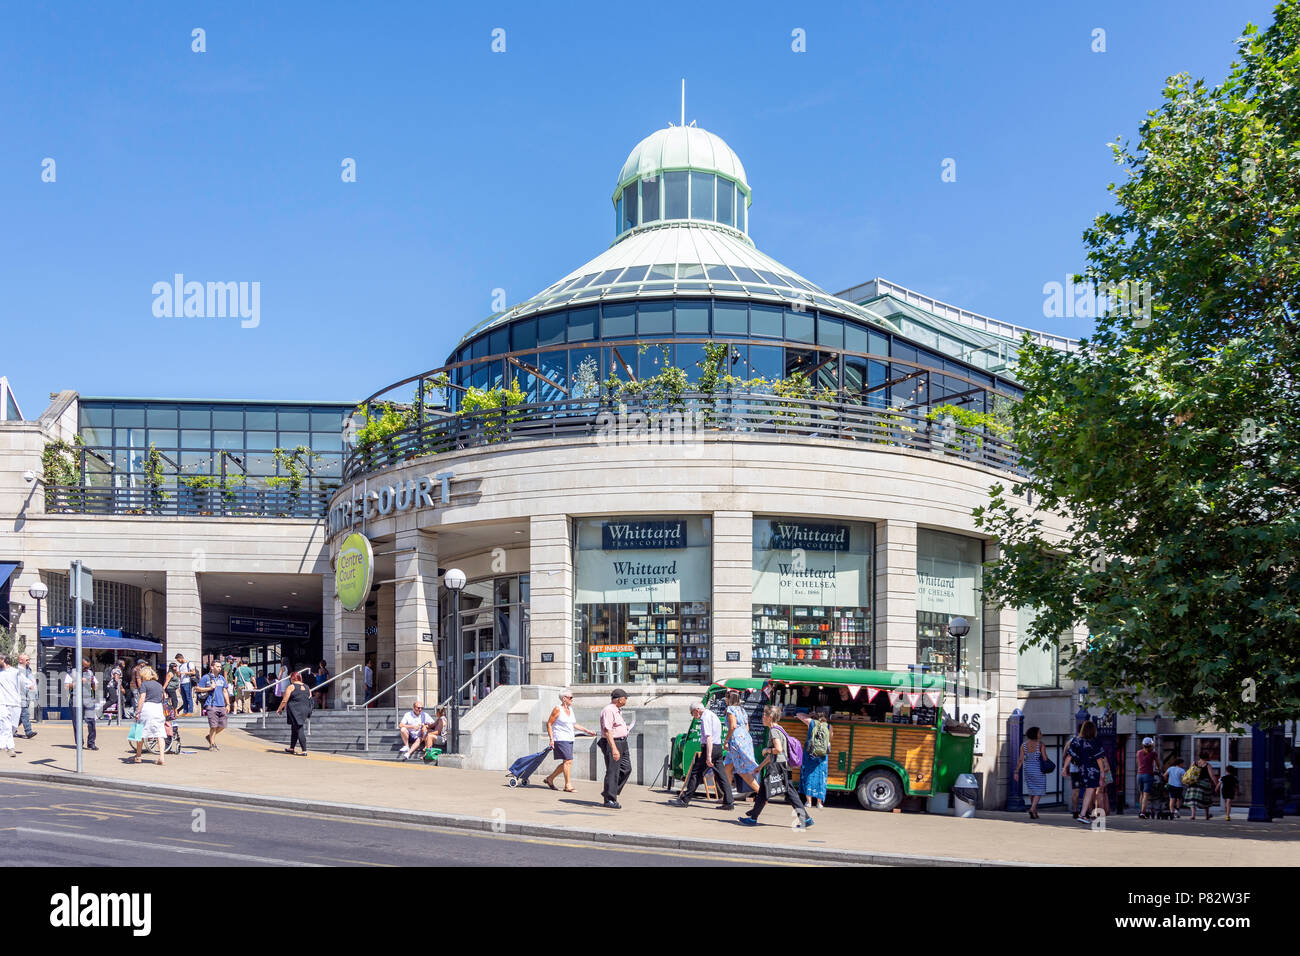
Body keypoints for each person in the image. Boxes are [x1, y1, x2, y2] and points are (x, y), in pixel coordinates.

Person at [741, 705, 814, 828]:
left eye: (764, 715)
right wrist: (761, 766)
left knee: (789, 794)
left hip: (779, 767)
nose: (762, 717)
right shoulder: (780, 728)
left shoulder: (774, 731)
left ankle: (805, 818)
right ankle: (753, 817)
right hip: (781, 765)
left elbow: (778, 749)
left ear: (770, 717)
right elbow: (775, 755)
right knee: (765, 792)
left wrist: (766, 750)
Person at [671, 701, 736, 810]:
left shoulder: (705, 718)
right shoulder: (713, 715)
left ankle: (684, 799)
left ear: (697, 710)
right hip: (718, 747)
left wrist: (708, 756)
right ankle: (729, 802)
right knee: (721, 776)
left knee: (696, 773)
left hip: (710, 748)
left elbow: (709, 738)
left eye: (692, 713)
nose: (693, 716)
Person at [543, 690, 594, 792]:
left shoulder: (570, 709)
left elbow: (573, 724)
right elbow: (549, 724)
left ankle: (550, 778)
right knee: (568, 761)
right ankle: (567, 785)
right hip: (560, 738)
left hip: (570, 738)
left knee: (567, 762)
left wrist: (587, 730)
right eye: (570, 697)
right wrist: (551, 739)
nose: (572, 699)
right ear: (564, 698)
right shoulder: (557, 709)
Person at [722, 689, 760, 800]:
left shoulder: (730, 709)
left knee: (742, 771)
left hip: (735, 741)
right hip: (745, 739)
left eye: (726, 697)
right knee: (727, 768)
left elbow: (733, 726)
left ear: (729, 698)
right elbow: (747, 728)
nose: (725, 699)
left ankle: (761, 793)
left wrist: (726, 740)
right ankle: (727, 797)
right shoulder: (743, 710)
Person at [1065, 720, 1105, 826]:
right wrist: (1102, 771)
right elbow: (1099, 758)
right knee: (1089, 792)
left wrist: (1064, 768)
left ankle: (1082, 814)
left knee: (1087, 792)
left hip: (1081, 770)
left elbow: (1069, 755)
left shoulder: (1076, 741)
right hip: (1093, 770)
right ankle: (1082, 814)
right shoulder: (1095, 741)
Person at [598, 689, 632, 809]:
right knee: (613, 771)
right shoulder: (609, 710)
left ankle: (609, 791)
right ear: (619, 699)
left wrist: (625, 728)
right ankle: (610, 799)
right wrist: (614, 749)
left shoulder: (618, 710)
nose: (626, 700)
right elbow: (607, 731)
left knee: (626, 768)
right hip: (613, 743)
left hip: (622, 742)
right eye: (625, 697)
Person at [793, 708, 831, 809]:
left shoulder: (811, 723)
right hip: (822, 756)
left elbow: (798, 714)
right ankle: (819, 803)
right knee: (821, 777)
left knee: (809, 775)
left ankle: (808, 802)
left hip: (810, 754)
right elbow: (830, 739)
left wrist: (809, 715)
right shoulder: (829, 726)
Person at [132, 665, 167, 765]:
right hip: (158, 708)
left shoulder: (144, 684)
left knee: (140, 732)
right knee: (160, 733)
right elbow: (163, 697)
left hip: (147, 708)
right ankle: (161, 757)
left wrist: (138, 711)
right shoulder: (159, 685)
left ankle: (138, 756)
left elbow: (142, 698)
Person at [196, 660, 233, 750]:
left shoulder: (221, 678)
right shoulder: (206, 677)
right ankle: (212, 744)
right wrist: (209, 688)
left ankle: (210, 737)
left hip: (221, 705)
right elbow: (198, 689)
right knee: (213, 725)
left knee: (223, 725)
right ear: (212, 667)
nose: (219, 668)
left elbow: (225, 691)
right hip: (211, 704)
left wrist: (228, 704)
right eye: (217, 666)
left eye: (220, 667)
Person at [64, 657, 98, 751]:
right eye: (85, 667)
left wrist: (92, 683)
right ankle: (79, 743)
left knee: (91, 722)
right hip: (75, 700)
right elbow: (66, 686)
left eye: (88, 667)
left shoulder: (90, 673)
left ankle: (91, 743)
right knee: (77, 723)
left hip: (88, 700)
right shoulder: (72, 672)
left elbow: (95, 687)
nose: (87, 669)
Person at [276, 671, 313, 755]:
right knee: (294, 728)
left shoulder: (291, 687)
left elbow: (285, 700)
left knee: (299, 728)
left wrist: (279, 709)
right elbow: (310, 698)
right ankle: (291, 748)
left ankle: (304, 751)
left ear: (292, 678)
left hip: (295, 710)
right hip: (305, 709)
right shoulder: (307, 687)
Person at [1014, 725, 1048, 818]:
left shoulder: (1023, 745)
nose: (1041, 734)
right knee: (1039, 790)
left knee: (1032, 790)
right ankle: (1032, 808)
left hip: (1028, 769)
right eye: (1039, 732)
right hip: (1038, 770)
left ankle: (1034, 811)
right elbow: (1045, 758)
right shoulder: (1041, 744)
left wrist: (1016, 771)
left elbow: (1020, 760)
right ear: (1035, 734)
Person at [1184, 751, 1220, 821]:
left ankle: (1193, 815)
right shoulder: (1207, 765)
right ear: (1207, 757)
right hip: (1204, 783)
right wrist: (1216, 784)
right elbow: (1212, 776)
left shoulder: (1194, 763)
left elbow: (1189, 772)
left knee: (1193, 799)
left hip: (1194, 783)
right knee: (1206, 799)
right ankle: (1207, 815)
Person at [0, 656, 22, 757]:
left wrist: (31, 685)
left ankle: (3, 743)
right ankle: (10, 747)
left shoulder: (15, 671)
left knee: (13, 726)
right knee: (6, 724)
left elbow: (24, 680)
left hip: (15, 702)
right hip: (3, 702)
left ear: (3, 660)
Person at [15, 653, 38, 739]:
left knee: (20, 717)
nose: (28, 661)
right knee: (25, 714)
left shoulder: (28, 670)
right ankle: (28, 731)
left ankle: (11, 730)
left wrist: (34, 694)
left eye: (29, 660)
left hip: (27, 695)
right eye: (27, 660)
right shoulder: (16, 671)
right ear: (21, 660)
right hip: (20, 696)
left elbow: (33, 682)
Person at [1136, 737, 1159, 818]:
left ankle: (1140, 811)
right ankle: (1143, 812)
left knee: (1141, 794)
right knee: (1146, 794)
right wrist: (1159, 770)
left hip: (1139, 775)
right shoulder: (1153, 753)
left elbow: (1138, 764)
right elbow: (1157, 763)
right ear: (1151, 745)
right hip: (1148, 775)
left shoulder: (1138, 752)